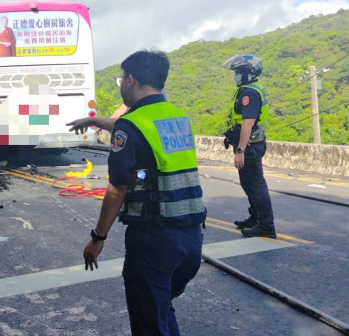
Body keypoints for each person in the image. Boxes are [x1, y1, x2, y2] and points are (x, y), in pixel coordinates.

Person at [68, 50, 206, 336]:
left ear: (130, 79)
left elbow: (117, 189)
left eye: (121, 79)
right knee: (162, 310)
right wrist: (95, 121)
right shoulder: (179, 117)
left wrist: (98, 238)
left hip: (154, 241)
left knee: (149, 321)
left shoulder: (130, 126)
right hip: (191, 238)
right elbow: (133, 129)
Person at [222, 54, 276, 238]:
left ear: (249, 73)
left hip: (250, 146)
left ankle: (266, 226)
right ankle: (255, 218)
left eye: (239, 72)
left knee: (255, 185)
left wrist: (240, 151)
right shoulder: (250, 89)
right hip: (252, 144)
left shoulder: (250, 93)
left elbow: (247, 123)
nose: (236, 75)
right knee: (249, 183)